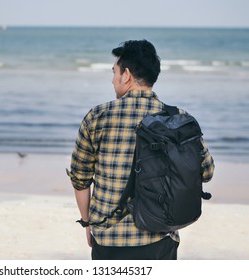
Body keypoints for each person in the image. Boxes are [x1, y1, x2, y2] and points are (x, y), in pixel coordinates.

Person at [66, 39, 215, 260]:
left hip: (108, 238)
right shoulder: (177, 119)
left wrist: (87, 222)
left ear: (126, 75)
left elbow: (80, 178)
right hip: (159, 236)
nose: (112, 79)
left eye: (114, 72)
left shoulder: (97, 117)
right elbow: (207, 172)